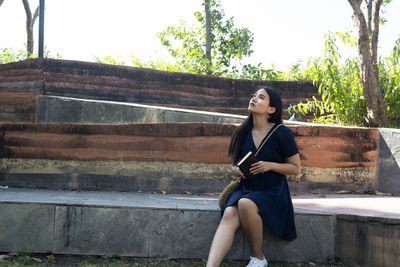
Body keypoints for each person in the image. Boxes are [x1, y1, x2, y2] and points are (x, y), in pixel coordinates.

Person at [206, 87, 301, 267]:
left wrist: (269, 165)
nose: (254, 99)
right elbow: (233, 166)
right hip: (247, 187)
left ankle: (258, 258)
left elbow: (296, 168)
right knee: (229, 213)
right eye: (254, 96)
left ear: (271, 109)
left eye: (261, 97)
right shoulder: (242, 132)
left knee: (244, 203)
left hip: (273, 190)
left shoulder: (282, 133)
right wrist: (237, 171)